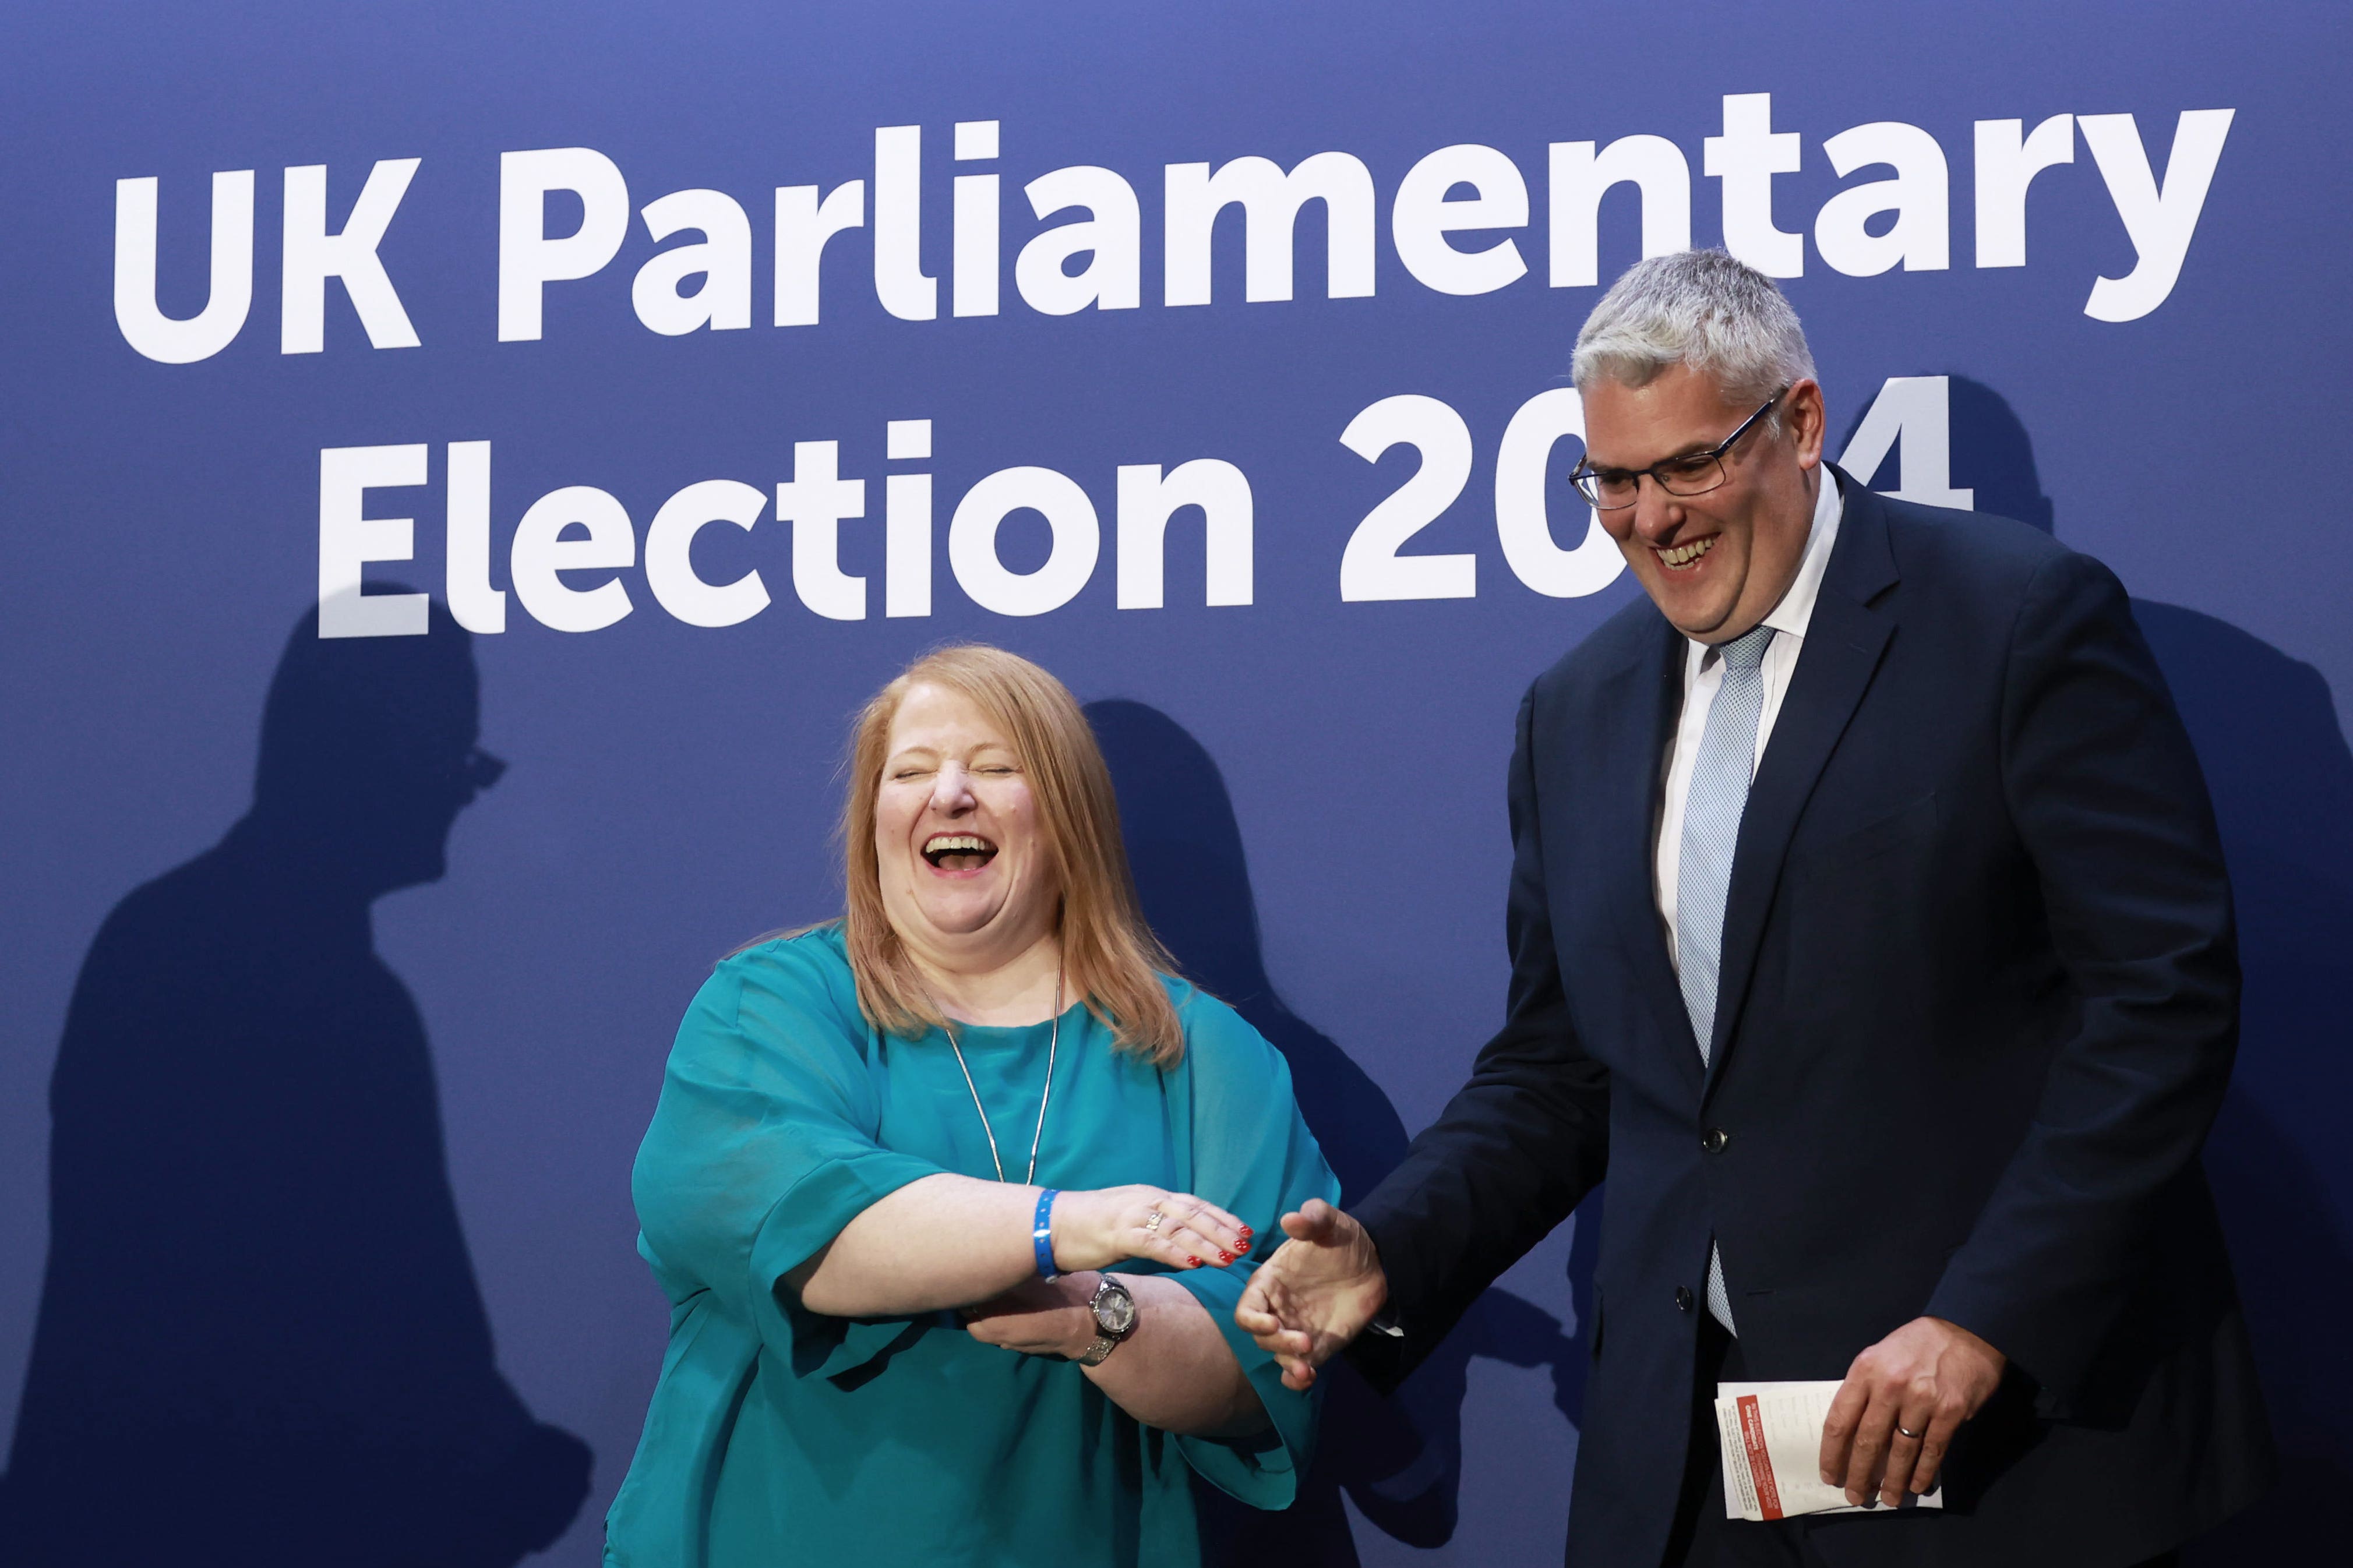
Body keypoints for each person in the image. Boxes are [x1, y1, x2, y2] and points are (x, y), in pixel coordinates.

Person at [1236, 250, 2275, 1567]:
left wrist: (1987, 1316)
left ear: (1797, 423)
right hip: (1686, 1475)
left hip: (1995, 1455)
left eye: (1687, 466)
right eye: (1612, 479)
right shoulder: (1575, 710)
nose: (1647, 518)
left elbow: (2160, 1002)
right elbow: (1562, 1072)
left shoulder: (2015, 621)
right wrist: (1392, 1248)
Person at [604, 644, 1339, 1568]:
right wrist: (1071, 1224)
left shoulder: (1204, 1056)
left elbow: (1259, 1369)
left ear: (1071, 814)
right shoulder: (772, 1004)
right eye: (911, 772)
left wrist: (1096, 1313)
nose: (949, 794)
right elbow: (801, 1223)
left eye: (996, 768)